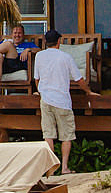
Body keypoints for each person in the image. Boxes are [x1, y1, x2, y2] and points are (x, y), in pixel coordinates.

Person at [33, 29, 85, 174]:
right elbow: (78, 79)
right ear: (59, 42)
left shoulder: (39, 56)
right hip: (62, 101)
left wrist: (41, 91)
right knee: (66, 136)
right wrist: (88, 91)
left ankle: (51, 168)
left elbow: (36, 78)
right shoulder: (65, 57)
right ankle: (64, 167)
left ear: (45, 42)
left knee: (48, 135)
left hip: (46, 100)